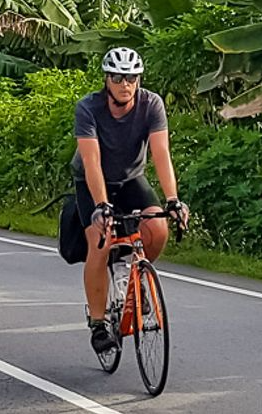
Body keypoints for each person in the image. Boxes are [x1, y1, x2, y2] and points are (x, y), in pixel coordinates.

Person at [72, 47, 188, 354]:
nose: (126, 84)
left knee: (158, 229)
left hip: (130, 178)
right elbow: (91, 160)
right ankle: (98, 323)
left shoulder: (152, 104)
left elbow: (161, 154)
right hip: (91, 181)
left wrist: (173, 200)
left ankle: (134, 277)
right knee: (101, 241)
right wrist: (101, 206)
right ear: (107, 79)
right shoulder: (89, 108)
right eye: (118, 77)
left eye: (132, 77)